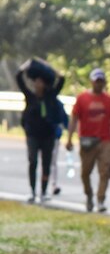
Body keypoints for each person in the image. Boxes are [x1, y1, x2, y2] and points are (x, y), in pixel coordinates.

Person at [66, 68, 110, 213]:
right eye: (96, 81)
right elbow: (74, 118)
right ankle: (89, 194)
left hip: (104, 140)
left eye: (101, 81)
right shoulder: (82, 98)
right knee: (85, 172)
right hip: (87, 140)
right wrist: (69, 138)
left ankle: (100, 199)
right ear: (92, 81)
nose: (99, 84)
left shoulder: (109, 100)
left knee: (105, 171)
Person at [16, 61, 65, 204]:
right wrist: (25, 66)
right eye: (36, 82)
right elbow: (19, 79)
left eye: (40, 82)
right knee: (33, 161)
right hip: (32, 134)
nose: (38, 85)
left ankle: (43, 191)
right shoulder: (30, 96)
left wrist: (49, 67)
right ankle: (32, 191)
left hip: (48, 135)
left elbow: (61, 79)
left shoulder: (50, 96)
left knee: (46, 163)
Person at [47, 97, 69, 197]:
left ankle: (53, 184)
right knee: (44, 161)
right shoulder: (40, 99)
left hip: (54, 136)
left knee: (52, 161)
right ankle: (43, 186)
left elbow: (64, 120)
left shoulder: (57, 103)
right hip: (40, 136)